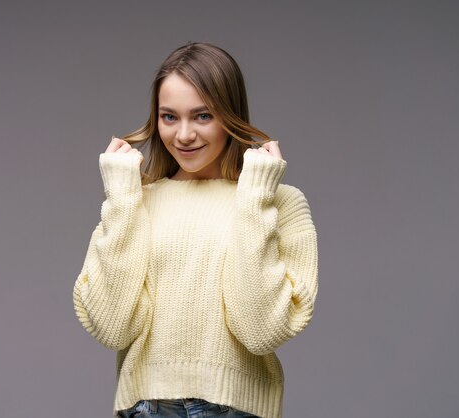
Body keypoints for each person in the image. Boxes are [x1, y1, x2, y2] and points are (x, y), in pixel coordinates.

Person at [73, 42, 318, 418]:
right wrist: (122, 198)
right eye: (169, 117)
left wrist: (254, 198)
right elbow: (111, 327)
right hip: (147, 408)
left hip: (236, 409)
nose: (184, 135)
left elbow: (261, 330)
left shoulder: (279, 203)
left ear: (230, 116)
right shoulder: (134, 202)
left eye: (202, 116)